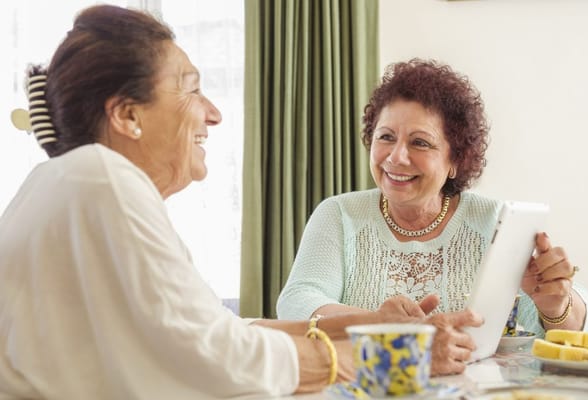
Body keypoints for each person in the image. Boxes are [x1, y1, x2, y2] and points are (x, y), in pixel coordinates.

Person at [0, 7, 484, 399]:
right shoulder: (103, 181)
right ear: (128, 115)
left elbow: (219, 330)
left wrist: (369, 325)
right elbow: (219, 357)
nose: (213, 112)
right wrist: (398, 353)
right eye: (191, 89)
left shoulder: (66, 182)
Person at [277, 59, 588, 340]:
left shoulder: (492, 222)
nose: (397, 157)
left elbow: (569, 323)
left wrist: (556, 306)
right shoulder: (338, 214)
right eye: (385, 137)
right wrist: (378, 324)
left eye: (420, 142)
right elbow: (296, 303)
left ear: (456, 159)